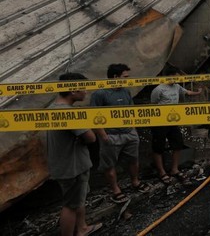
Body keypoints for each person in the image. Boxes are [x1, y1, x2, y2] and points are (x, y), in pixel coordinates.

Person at [46, 72, 102, 236]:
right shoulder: (68, 113)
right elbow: (91, 138)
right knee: (70, 205)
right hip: (72, 166)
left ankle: (82, 227)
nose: (86, 91)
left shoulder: (54, 106)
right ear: (72, 91)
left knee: (78, 199)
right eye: (83, 88)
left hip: (66, 163)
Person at [90, 64, 150, 204]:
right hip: (111, 135)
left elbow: (131, 110)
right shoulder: (100, 94)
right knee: (109, 165)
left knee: (134, 160)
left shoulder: (126, 91)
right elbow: (93, 116)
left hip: (129, 132)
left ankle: (135, 182)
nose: (128, 79)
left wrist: (133, 128)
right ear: (115, 77)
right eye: (125, 77)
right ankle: (116, 189)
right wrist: (103, 135)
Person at [150, 66, 202, 185]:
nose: (177, 80)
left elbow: (187, 92)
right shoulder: (159, 89)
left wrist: (197, 92)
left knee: (178, 144)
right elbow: (152, 106)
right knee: (158, 147)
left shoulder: (177, 86)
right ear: (169, 76)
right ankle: (162, 172)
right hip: (159, 122)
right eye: (175, 77)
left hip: (173, 122)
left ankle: (174, 169)